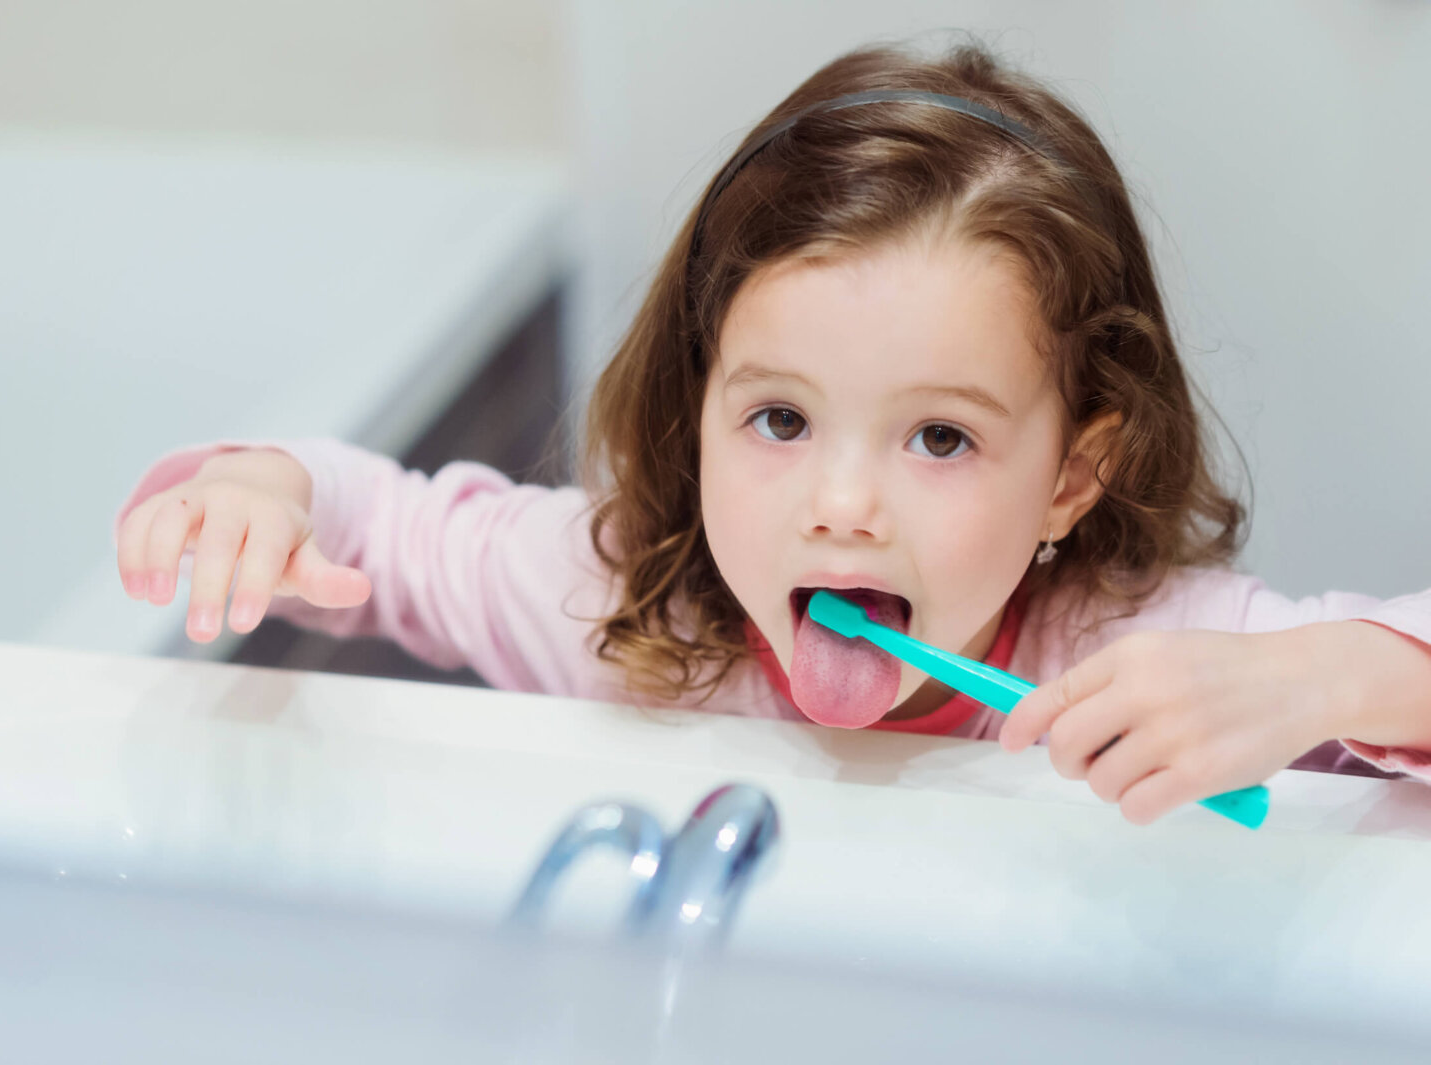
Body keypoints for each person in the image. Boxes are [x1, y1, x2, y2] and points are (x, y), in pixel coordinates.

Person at [114, 42, 1431, 825]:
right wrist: (259, 490)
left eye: (939, 440)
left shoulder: (1142, 660)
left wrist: (1326, 677)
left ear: (1072, 477)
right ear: (699, 407)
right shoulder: (631, 607)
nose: (840, 503)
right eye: (781, 418)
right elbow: (382, 530)